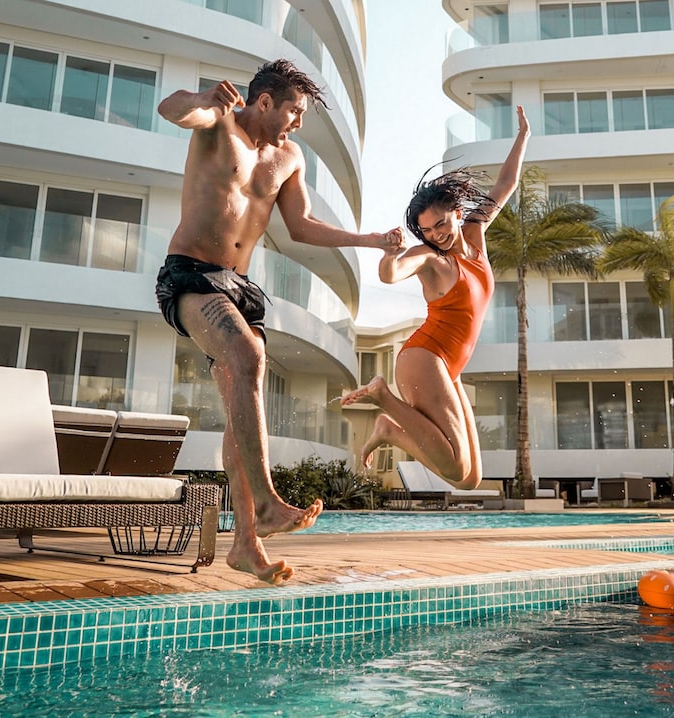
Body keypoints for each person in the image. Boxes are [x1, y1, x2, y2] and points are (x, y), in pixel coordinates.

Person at [155, 59, 397, 585]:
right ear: (264, 101)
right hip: (190, 275)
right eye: (295, 110)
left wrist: (371, 240)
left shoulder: (289, 157)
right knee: (248, 358)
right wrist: (201, 98)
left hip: (240, 288)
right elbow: (170, 108)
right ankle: (265, 501)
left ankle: (245, 544)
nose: (299, 123)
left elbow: (301, 226)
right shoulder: (219, 122)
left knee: (240, 401)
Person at [343, 106, 530, 490]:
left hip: (448, 367)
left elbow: (506, 183)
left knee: (469, 478)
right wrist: (390, 254)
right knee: (454, 466)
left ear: (458, 214)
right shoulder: (430, 258)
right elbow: (391, 274)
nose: (436, 235)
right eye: (427, 230)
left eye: (441, 224)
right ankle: (383, 399)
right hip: (424, 359)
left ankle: (388, 428)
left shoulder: (475, 232)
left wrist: (524, 135)